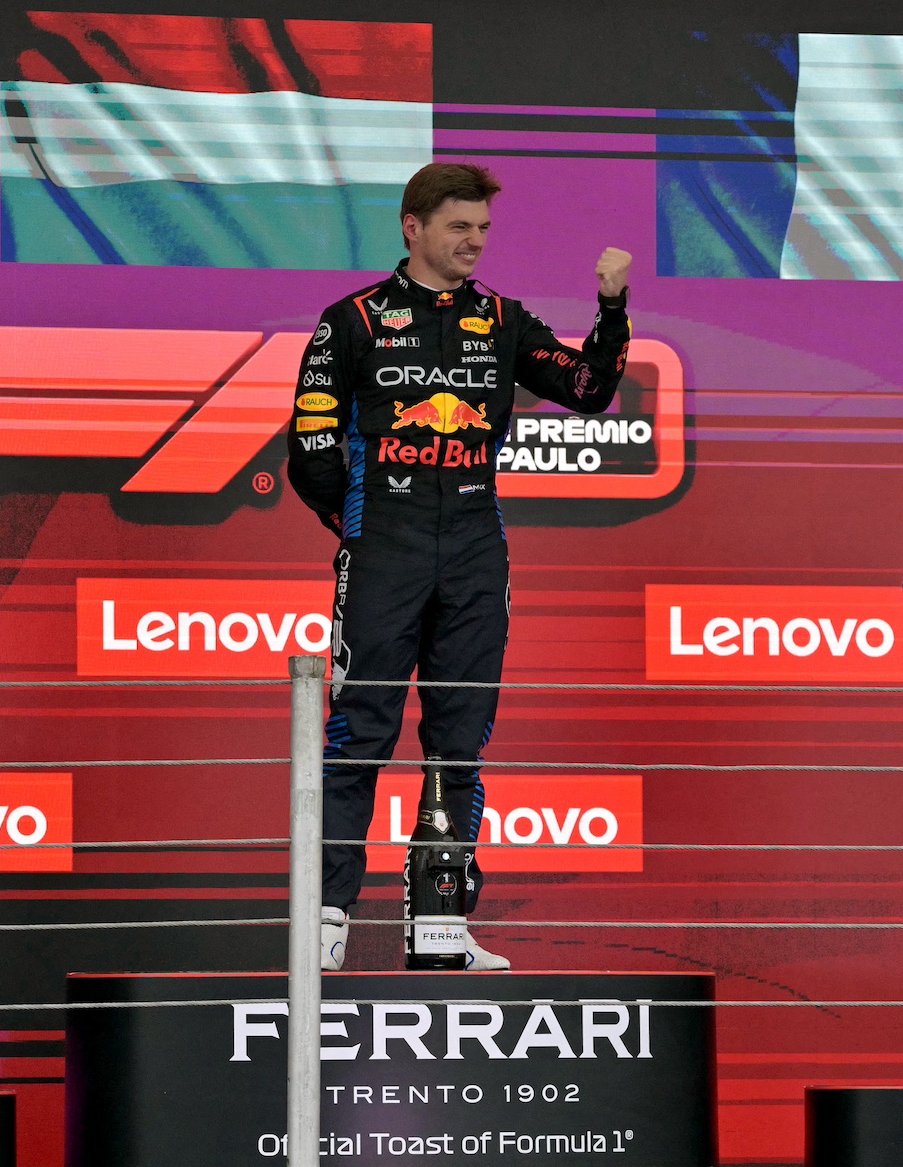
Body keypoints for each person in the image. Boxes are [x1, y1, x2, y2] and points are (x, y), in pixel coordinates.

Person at [287, 163, 632, 971]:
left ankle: (437, 920)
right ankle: (328, 915)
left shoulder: (503, 320)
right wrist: (364, 525)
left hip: (477, 547)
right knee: (355, 731)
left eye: (481, 229)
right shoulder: (355, 320)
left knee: (459, 740)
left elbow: (587, 389)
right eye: (457, 227)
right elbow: (308, 447)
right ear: (412, 228)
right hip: (385, 550)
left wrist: (611, 311)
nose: (473, 241)